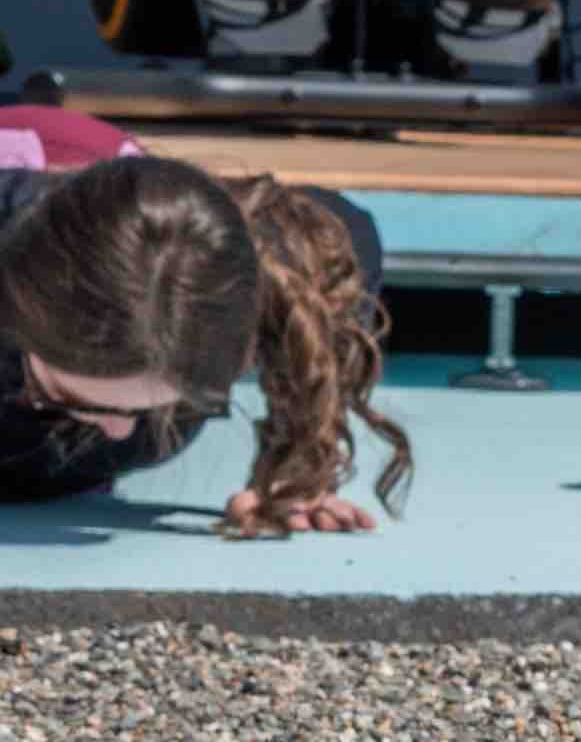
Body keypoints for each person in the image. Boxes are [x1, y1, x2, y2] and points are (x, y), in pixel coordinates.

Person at [0, 109, 410, 537]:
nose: (119, 431)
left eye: (153, 408)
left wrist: (297, 458)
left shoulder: (250, 269)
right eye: (63, 396)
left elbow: (347, 234)